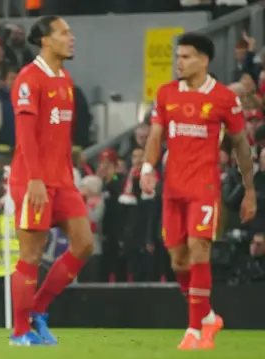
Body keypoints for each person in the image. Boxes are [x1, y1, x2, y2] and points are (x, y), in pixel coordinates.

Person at [140, 33, 256, 350]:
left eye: (186, 57)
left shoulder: (223, 98)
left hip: (204, 187)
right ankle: (208, 317)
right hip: (172, 189)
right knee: (178, 260)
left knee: (198, 250)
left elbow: (241, 148)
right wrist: (148, 168)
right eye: (178, 56)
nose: (179, 62)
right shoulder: (166, 94)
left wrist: (249, 190)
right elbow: (155, 135)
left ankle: (193, 330)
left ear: (204, 60)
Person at [7, 15, 94, 346]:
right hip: (34, 181)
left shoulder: (65, 80)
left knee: (84, 244)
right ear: (45, 40)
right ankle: (19, 331)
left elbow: (57, 133)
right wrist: (35, 179)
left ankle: (38, 309)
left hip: (63, 180)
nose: (71, 38)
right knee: (31, 254)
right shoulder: (29, 79)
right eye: (64, 33)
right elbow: (25, 135)